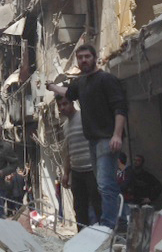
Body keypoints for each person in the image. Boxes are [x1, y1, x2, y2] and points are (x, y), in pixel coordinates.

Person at [47, 44, 128, 228]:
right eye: (80, 57)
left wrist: (117, 135)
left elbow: (120, 108)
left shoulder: (106, 79)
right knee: (104, 186)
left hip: (107, 139)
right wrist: (52, 87)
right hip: (92, 141)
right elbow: (67, 92)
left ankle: (109, 226)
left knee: (105, 185)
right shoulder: (81, 84)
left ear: (94, 58)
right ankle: (121, 220)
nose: (83, 60)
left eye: (87, 56)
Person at [56, 93, 101, 228]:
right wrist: (66, 173)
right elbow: (68, 152)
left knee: (98, 205)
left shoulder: (85, 118)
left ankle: (103, 237)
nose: (62, 108)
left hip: (92, 170)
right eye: (59, 105)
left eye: (65, 104)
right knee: (79, 208)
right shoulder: (65, 126)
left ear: (72, 103)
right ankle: (82, 238)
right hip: (77, 173)